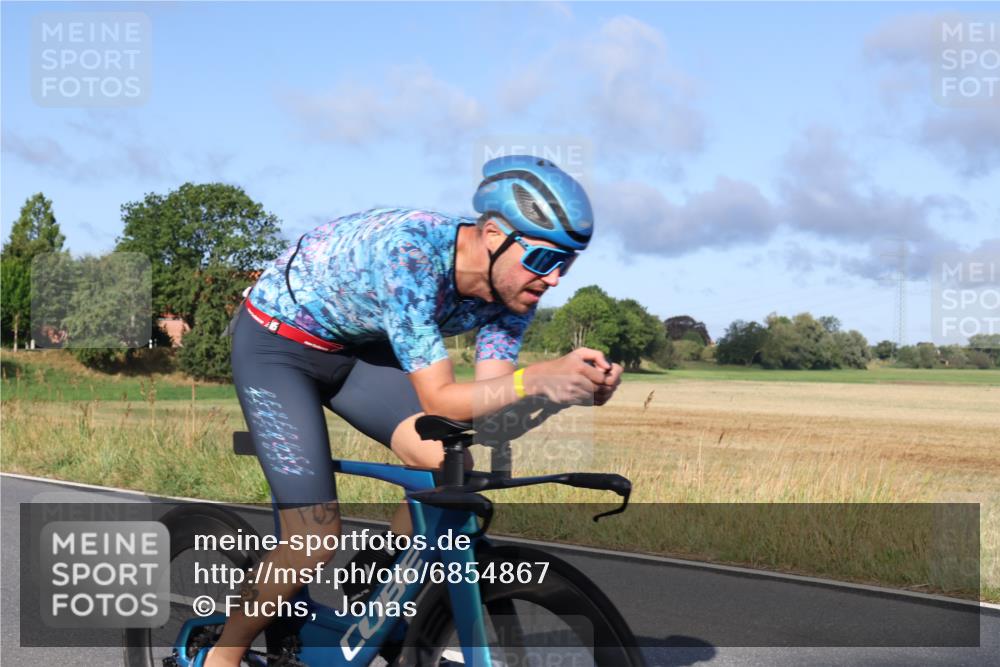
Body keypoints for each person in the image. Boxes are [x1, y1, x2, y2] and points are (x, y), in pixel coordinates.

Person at [200, 155, 623, 666]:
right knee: (313, 537)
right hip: (277, 347)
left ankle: (375, 582)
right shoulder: (412, 256)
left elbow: (483, 411)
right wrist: (536, 377)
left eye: (566, 263)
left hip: (356, 351)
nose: (553, 279)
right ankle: (221, 655)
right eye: (540, 260)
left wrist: (561, 392)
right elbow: (442, 399)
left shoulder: (513, 292)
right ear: (492, 235)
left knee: (449, 467)